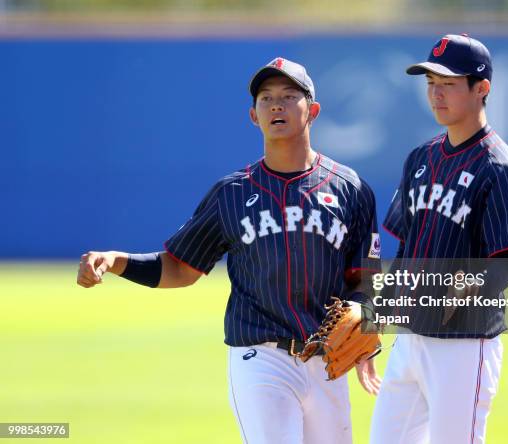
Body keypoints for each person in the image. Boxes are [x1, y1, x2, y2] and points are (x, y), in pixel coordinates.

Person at [77, 57, 381, 444]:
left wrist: (365, 317)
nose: (276, 105)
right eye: (266, 98)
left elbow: (365, 278)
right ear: (253, 116)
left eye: (289, 96)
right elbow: (181, 267)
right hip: (260, 357)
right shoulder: (232, 194)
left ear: (313, 111)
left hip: (327, 361)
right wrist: (117, 262)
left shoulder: (350, 189)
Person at [370, 35, 508, 444]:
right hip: (411, 340)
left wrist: (460, 289)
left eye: (447, 83)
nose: (435, 93)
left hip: (464, 345)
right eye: (430, 82)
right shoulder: (420, 159)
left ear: (481, 88)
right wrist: (377, 315)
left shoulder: (500, 167)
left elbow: (504, 264)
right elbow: (406, 250)